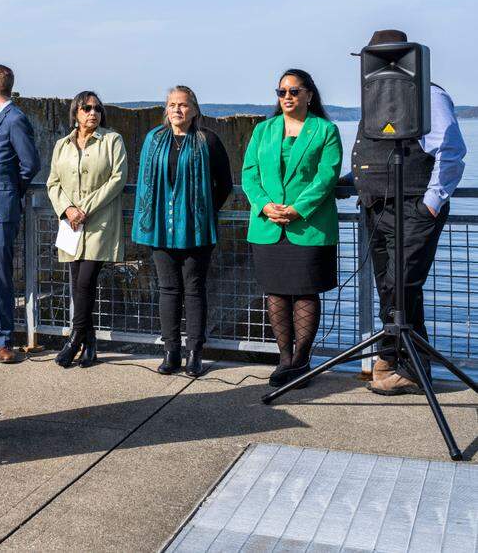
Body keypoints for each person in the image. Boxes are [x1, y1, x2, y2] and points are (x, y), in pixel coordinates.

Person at [352, 30, 467, 395]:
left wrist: (431, 202)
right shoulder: (376, 96)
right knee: (393, 287)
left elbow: (450, 151)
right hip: (377, 206)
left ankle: (403, 361)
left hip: (414, 206)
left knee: (400, 285)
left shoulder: (429, 94)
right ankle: (401, 361)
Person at [242, 69, 342, 388]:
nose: (287, 96)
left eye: (294, 91)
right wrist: (264, 205)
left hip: (309, 226)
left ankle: (302, 361)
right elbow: (249, 174)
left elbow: (327, 176)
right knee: (276, 292)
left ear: (309, 95)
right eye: (282, 91)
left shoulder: (325, 130)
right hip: (268, 226)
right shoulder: (263, 130)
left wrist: (298, 209)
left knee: (305, 292)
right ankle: (284, 360)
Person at [132, 86, 233, 377]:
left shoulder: (208, 141)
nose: (177, 109)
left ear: (194, 110)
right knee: (168, 290)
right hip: (161, 229)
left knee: (194, 290)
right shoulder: (154, 140)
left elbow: (224, 184)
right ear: (166, 108)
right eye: (172, 104)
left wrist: (202, 212)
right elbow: (144, 183)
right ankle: (171, 351)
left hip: (197, 230)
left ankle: (195, 353)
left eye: (183, 105)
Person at [46, 91, 127, 368]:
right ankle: (90, 345)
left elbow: (117, 179)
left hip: (99, 222)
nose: (93, 113)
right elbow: (52, 182)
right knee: (78, 283)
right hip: (71, 224)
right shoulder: (62, 145)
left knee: (85, 281)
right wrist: (68, 210)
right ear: (76, 113)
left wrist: (85, 208)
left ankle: (74, 338)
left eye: (97, 108)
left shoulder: (112, 140)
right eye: (86, 108)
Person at [0, 64, 41, 364]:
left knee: (2, 277)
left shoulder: (15, 119)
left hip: (3, 209)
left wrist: (10, 193)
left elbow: (30, 163)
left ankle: (3, 339)